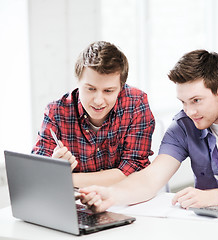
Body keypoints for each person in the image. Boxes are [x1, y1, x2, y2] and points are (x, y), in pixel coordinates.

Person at [79, 49, 218, 212]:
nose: (189, 111)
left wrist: (212, 197)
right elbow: (151, 178)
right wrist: (112, 195)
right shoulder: (183, 125)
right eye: (183, 102)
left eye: (196, 100)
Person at [32, 41, 155, 188]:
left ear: (121, 87)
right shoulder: (56, 112)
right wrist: (53, 167)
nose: (98, 101)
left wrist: (65, 178)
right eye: (90, 89)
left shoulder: (136, 103)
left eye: (108, 91)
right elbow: (38, 174)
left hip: (123, 199)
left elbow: (135, 168)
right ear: (78, 82)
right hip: (77, 203)